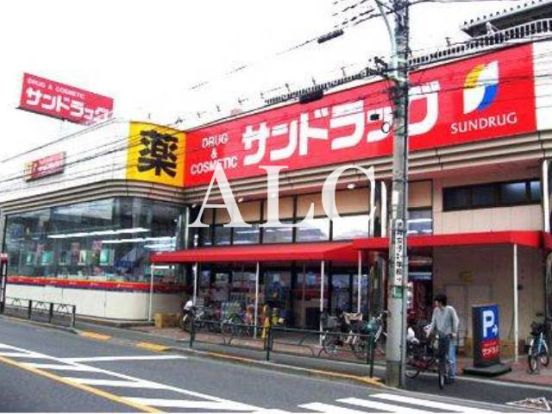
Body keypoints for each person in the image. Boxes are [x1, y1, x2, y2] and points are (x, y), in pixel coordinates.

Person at [426, 293, 459, 383]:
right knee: (441, 355)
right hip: (440, 335)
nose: (435, 303)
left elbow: (456, 321)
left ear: (441, 302)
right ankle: (442, 374)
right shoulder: (436, 310)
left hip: (449, 335)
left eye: (436, 301)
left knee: (450, 357)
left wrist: (454, 332)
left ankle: (451, 376)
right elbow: (433, 322)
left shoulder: (450, 310)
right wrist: (429, 332)